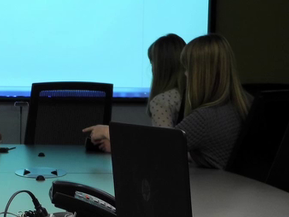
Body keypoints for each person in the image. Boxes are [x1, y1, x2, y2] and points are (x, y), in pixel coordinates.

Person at [84, 34, 251, 169]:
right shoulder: (246, 103)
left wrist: (109, 132)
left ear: (200, 74)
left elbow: (159, 149)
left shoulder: (205, 118)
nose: (185, 75)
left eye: (187, 69)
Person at [83, 33, 186, 152]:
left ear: (159, 67)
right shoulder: (191, 97)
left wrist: (119, 145)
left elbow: (164, 148)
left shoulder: (161, 102)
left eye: (152, 62)